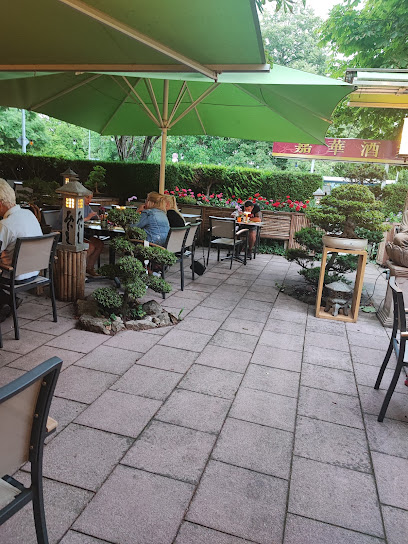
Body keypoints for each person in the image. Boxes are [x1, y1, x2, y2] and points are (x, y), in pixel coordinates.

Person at [0, 178, 43, 320]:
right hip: (35, 271)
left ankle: (6, 301)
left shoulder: (6, 224)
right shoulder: (29, 214)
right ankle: (8, 301)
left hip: (15, 275)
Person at [57, 191, 104, 276]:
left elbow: (92, 215)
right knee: (91, 246)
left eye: (90, 198)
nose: (89, 200)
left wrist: (97, 217)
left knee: (99, 243)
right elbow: (73, 222)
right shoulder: (71, 206)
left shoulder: (86, 206)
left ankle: (89, 268)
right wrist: (88, 217)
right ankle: (76, 271)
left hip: (82, 233)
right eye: (87, 197)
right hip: (67, 235)